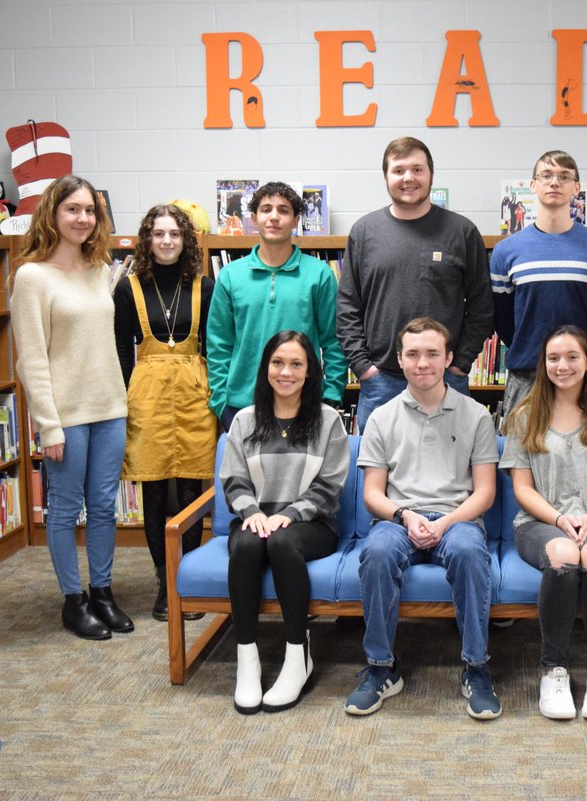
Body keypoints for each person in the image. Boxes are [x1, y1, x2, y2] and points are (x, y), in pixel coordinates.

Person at [345, 317, 501, 719]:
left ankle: (476, 667)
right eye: (412, 354)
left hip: (458, 519)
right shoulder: (380, 416)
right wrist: (406, 515)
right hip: (400, 519)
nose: (422, 363)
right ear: (400, 359)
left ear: (449, 358)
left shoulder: (476, 415)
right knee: (377, 552)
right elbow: (372, 495)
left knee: (469, 551)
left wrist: (445, 523)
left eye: (432, 353)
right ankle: (381, 669)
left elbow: (484, 492)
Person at [11, 175, 132, 640]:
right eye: (73, 209)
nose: (83, 219)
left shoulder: (100, 267)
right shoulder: (32, 276)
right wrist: (48, 425)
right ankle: (73, 600)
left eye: (89, 211)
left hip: (109, 408)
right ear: (52, 214)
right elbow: (31, 358)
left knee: (104, 506)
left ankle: (102, 592)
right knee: (64, 509)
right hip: (65, 416)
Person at [500, 326, 587, 721]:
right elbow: (523, 490)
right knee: (563, 553)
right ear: (543, 365)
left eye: (572, 357)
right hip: (541, 521)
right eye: (553, 358)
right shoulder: (525, 416)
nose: (562, 366)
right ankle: (554, 669)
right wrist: (562, 520)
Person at [222, 330, 349, 713]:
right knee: (246, 543)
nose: (286, 372)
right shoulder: (245, 420)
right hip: (257, 517)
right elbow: (233, 479)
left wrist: (289, 515)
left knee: (281, 542)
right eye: (278, 363)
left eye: (296, 364)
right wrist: (254, 513)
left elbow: (331, 484)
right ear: (266, 369)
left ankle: (298, 655)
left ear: (310, 372)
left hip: (312, 523)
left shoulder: (328, 421)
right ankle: (247, 658)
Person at [337, 136, 494, 432]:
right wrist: (363, 367)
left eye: (417, 169)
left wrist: (459, 363)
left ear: (431, 174)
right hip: (381, 381)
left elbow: (482, 307)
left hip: (447, 379)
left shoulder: (462, 232)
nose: (408, 178)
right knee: (377, 472)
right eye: (398, 170)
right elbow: (347, 307)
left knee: (455, 469)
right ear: (385, 177)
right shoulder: (364, 232)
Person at [113, 203, 216, 621]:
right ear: (147, 239)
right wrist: (120, 401)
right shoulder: (128, 287)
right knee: (153, 490)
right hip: (148, 396)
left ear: (186, 239)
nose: (167, 241)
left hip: (194, 393)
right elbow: (122, 348)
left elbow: (213, 345)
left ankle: (187, 576)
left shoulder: (204, 286)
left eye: (175, 233)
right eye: (158, 233)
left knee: (192, 488)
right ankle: (164, 581)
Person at [207, 181, 347, 431]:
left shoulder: (320, 275)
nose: (274, 217)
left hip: (304, 405)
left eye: (283, 210)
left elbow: (334, 341)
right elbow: (218, 345)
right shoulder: (230, 276)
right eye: (266, 209)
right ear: (254, 217)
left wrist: (331, 395)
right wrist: (220, 402)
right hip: (241, 406)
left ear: (295, 221)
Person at [490, 150, 587, 418]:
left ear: (576, 187)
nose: (554, 182)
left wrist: (576, 355)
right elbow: (502, 319)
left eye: (564, 176)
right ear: (533, 185)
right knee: (521, 456)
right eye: (546, 175)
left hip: (583, 376)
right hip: (526, 376)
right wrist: (530, 346)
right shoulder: (506, 251)